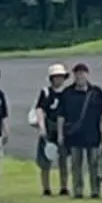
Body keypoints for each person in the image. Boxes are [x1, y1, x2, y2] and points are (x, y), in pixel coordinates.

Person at [60, 62, 102, 200]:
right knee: (76, 165)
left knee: (94, 164)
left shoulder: (96, 92)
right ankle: (78, 190)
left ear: (87, 75)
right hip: (74, 135)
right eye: (77, 73)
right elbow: (61, 115)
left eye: (82, 73)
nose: (80, 76)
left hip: (93, 135)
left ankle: (95, 190)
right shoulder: (67, 93)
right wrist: (61, 134)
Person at [34, 62, 71, 196]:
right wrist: (42, 127)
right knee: (45, 160)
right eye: (56, 77)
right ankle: (46, 187)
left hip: (63, 128)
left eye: (61, 76)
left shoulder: (68, 93)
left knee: (63, 159)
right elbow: (39, 109)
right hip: (49, 127)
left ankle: (64, 186)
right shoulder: (46, 92)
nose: (58, 79)